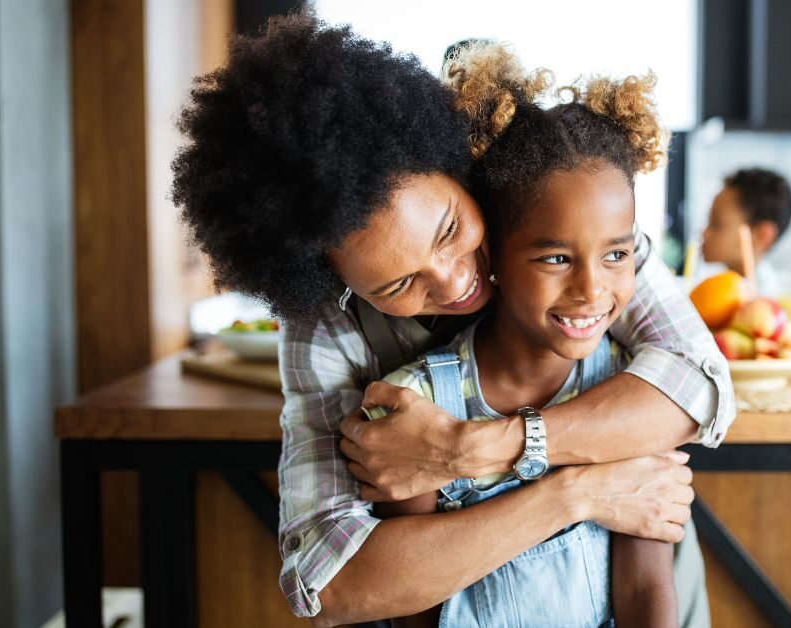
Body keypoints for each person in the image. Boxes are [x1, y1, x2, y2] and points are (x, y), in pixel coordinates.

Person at [171, 11, 734, 625]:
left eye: (449, 230)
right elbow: (329, 582)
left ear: (458, 166)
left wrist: (469, 450)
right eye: (400, 282)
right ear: (333, 283)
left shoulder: (563, 230)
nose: (455, 280)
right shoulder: (328, 330)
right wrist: (576, 492)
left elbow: (699, 384)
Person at [369, 43, 676, 627]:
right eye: (557, 258)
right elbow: (411, 602)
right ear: (494, 259)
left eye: (616, 253)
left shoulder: (632, 396)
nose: (592, 289)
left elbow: (645, 585)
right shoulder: (418, 410)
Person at [700, 168, 791, 292]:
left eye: (717, 224)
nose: (704, 233)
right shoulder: (709, 288)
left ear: (762, 235)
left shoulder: (765, 302)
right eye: (708, 220)